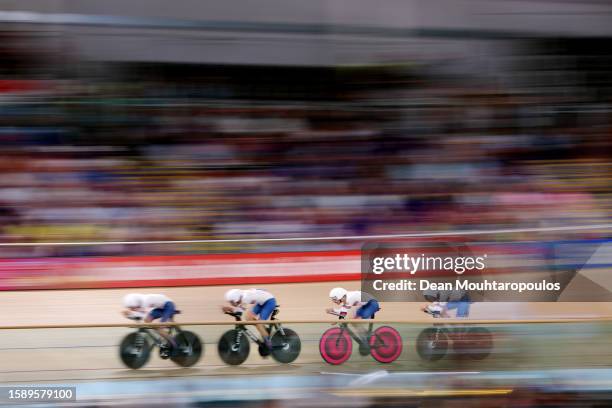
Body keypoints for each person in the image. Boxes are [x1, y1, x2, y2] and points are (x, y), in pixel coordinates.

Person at [122, 293, 178, 357]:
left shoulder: (145, 301)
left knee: (159, 328)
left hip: (168, 305)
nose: (131, 309)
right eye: (130, 308)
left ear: (136, 303)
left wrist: (131, 314)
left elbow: (143, 316)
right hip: (160, 308)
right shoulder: (139, 303)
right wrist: (129, 315)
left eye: (132, 307)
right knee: (148, 321)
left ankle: (175, 345)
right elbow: (140, 316)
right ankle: (161, 339)